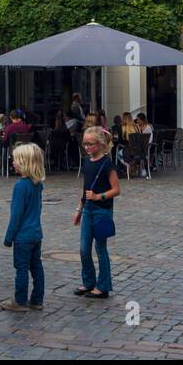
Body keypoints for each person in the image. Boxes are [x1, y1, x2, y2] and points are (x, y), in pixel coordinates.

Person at [74, 127, 120, 300]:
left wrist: (99, 196)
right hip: (88, 210)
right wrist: (79, 208)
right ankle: (88, 282)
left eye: (89, 144)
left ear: (100, 144)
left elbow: (116, 190)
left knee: (100, 248)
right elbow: (86, 189)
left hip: (103, 211)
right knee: (84, 248)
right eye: (84, 144)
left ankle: (103, 286)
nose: (86, 147)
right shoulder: (87, 162)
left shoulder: (107, 164)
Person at [0, 142, 46, 312]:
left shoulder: (20, 186)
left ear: (25, 163)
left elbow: (16, 215)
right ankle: (37, 299)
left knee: (21, 269)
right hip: (36, 234)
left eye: (16, 160)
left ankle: (20, 301)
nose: (13, 163)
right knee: (36, 267)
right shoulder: (38, 184)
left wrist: (8, 237)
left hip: (22, 237)